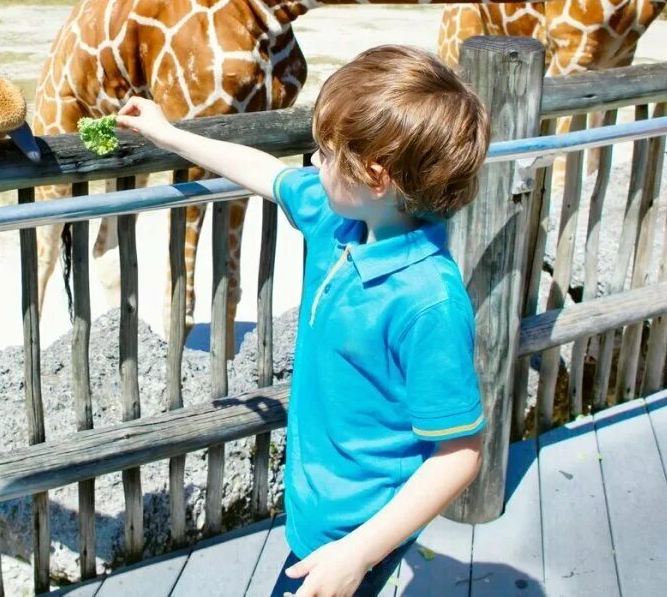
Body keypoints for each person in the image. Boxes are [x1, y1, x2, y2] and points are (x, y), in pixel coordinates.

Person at [115, 45, 490, 597]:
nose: (313, 163)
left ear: (376, 176)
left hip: (357, 529)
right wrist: (170, 135)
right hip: (317, 509)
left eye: (327, 152)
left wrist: (359, 552)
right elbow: (265, 171)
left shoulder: (427, 300)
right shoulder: (342, 220)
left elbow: (460, 452)